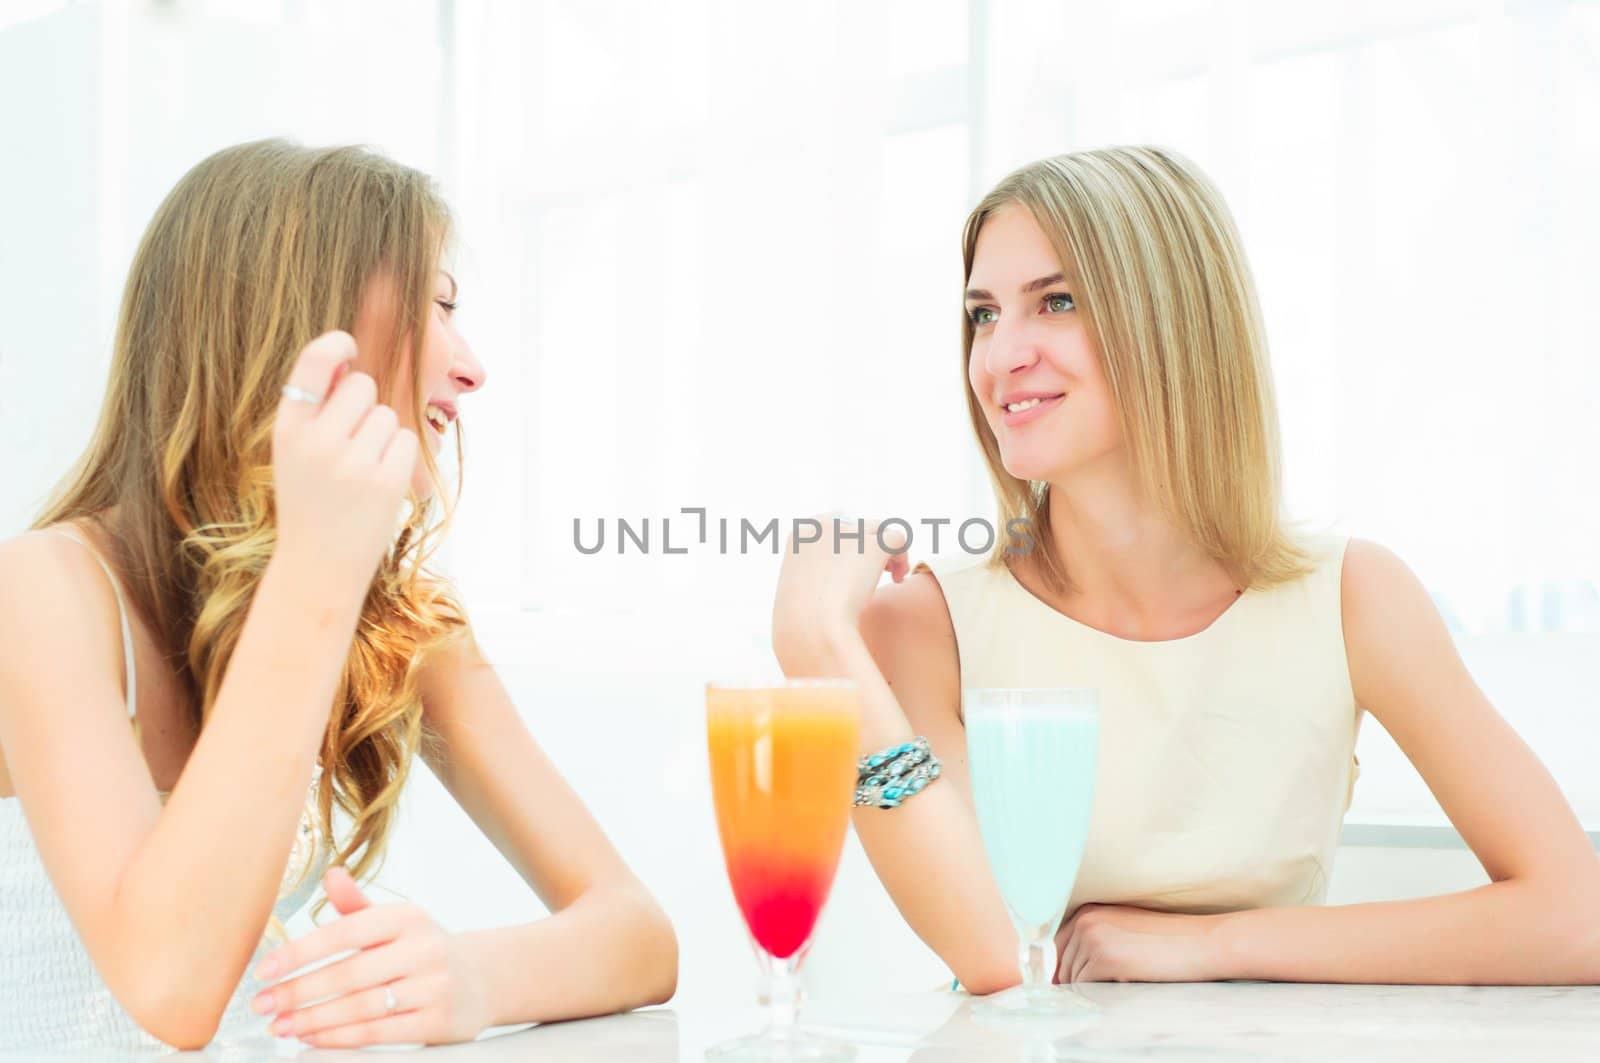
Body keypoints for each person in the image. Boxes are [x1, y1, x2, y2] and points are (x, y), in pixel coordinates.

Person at [773, 146, 1600, 990]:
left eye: (1055, 302)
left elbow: (1578, 917)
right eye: (983, 314)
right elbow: (999, 954)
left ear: (1176, 322)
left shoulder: (1353, 599)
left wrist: (1215, 944)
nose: (1000, 357)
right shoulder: (922, 627)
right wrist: (816, 645)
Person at [0, 139, 676, 1051]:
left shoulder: (398, 615)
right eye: (437, 306)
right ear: (298, 318)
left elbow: (640, 935)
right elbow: (168, 988)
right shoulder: (44, 591)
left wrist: (473, 976)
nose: (471, 365)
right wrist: (316, 564)